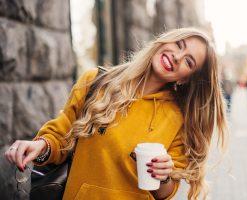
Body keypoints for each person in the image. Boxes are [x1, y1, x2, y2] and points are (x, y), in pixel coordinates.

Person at [4, 28, 228, 200]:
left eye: (189, 61)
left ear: (185, 78)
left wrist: (163, 176)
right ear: (165, 40)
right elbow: (62, 135)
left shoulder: (178, 118)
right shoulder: (96, 82)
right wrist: (41, 146)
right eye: (179, 45)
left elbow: (165, 193)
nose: (178, 56)